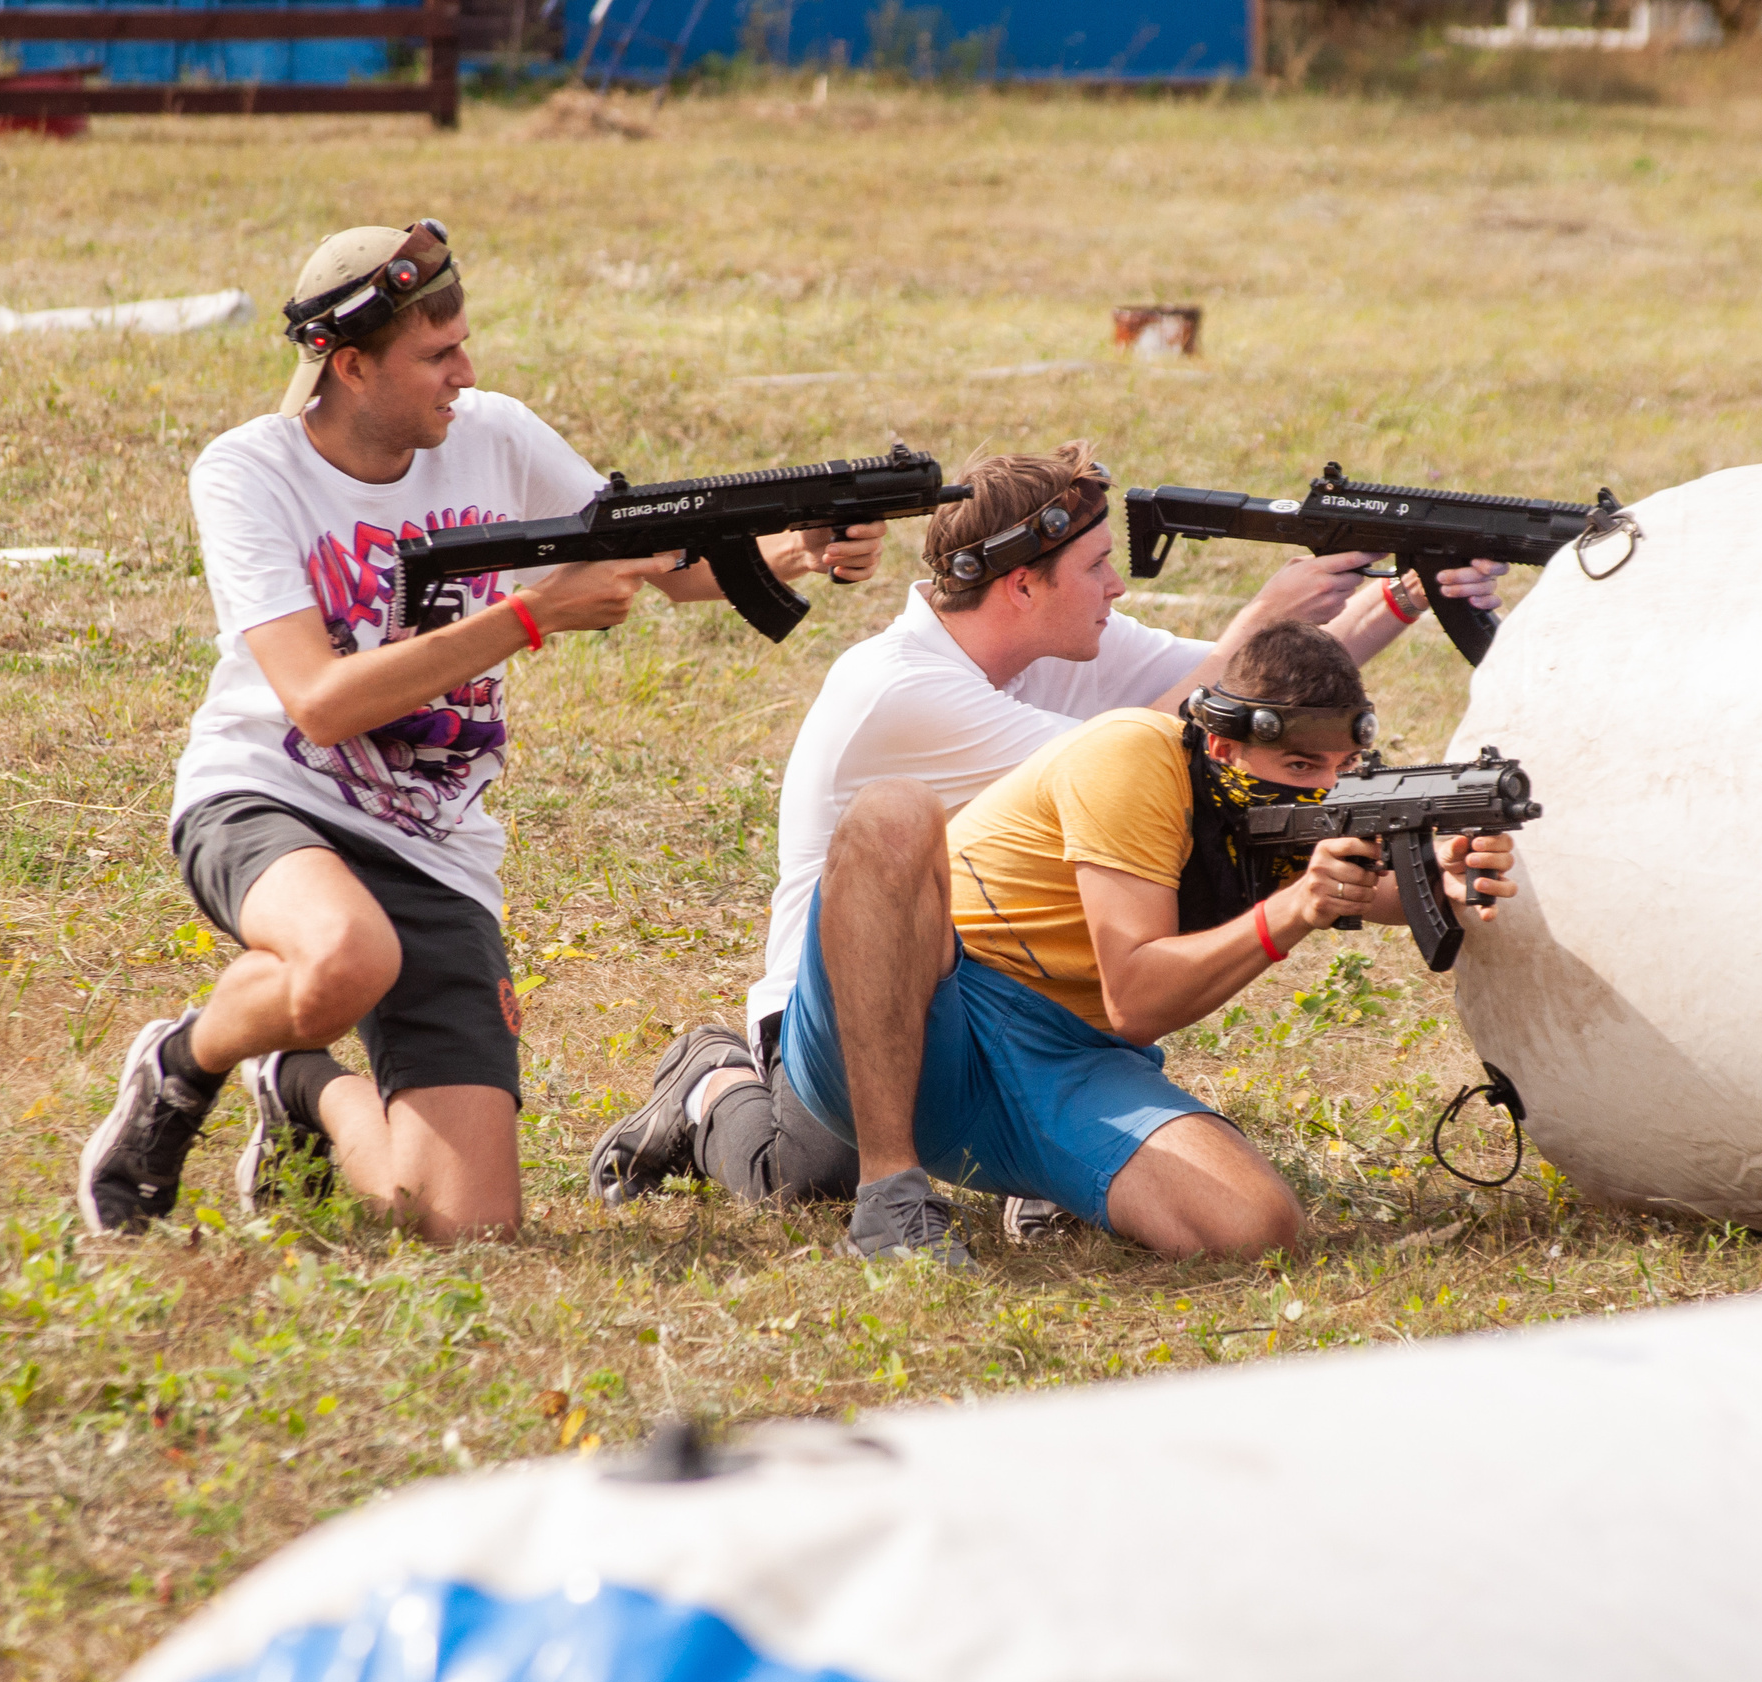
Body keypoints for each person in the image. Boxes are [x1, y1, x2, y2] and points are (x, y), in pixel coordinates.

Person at [73, 218, 884, 1243]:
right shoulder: (249, 473)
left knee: (467, 1224)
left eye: (463, 344)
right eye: (437, 355)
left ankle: (305, 1091)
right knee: (342, 962)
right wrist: (533, 615)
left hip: (435, 845)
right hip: (272, 797)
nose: (467, 371)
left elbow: (655, 563)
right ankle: (181, 1068)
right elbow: (319, 701)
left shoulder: (492, 435)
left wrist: (802, 548)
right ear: (352, 365)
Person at [587, 441, 1510, 1241]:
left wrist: (1398, 596)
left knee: (1240, 1217)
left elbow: (1256, 720)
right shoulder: (899, 689)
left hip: (1024, 993)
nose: (1118, 584)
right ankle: (708, 1080)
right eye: (1098, 565)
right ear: (1024, 583)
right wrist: (1271, 615)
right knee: (808, 1170)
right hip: (845, 996)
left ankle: (1052, 1168)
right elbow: (1169, 749)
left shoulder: (1069, 644)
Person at [777, 620, 1518, 1264]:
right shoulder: (1131, 754)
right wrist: (1294, 910)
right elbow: (1135, 999)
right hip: (907, 1015)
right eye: (1300, 767)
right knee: (893, 812)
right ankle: (888, 1196)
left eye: (1341, 770)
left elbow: (1369, 889)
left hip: (1065, 1058)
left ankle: (1057, 1188)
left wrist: (1446, 874)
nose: (1324, 790)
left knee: (1255, 1226)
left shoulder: (1275, 803)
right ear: (1224, 747)